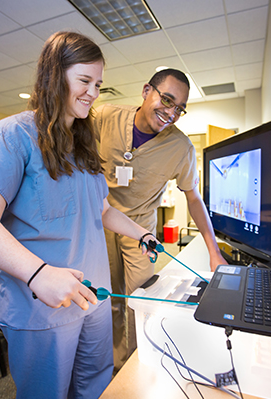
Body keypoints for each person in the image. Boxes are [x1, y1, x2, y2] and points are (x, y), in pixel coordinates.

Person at [0, 31, 159, 399]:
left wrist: (142, 233)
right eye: (84, 80)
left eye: (98, 84)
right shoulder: (11, 136)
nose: (93, 92)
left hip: (93, 299)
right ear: (54, 76)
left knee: (95, 388)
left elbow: (101, 210)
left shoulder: (83, 146)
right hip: (42, 308)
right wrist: (39, 273)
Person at [94, 68, 228, 371]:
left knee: (141, 301)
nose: (171, 112)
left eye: (179, 108)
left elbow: (193, 198)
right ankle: (115, 364)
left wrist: (214, 251)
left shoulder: (181, 148)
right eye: (166, 100)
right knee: (107, 298)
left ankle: (137, 365)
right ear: (146, 91)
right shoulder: (105, 117)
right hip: (98, 222)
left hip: (140, 230)